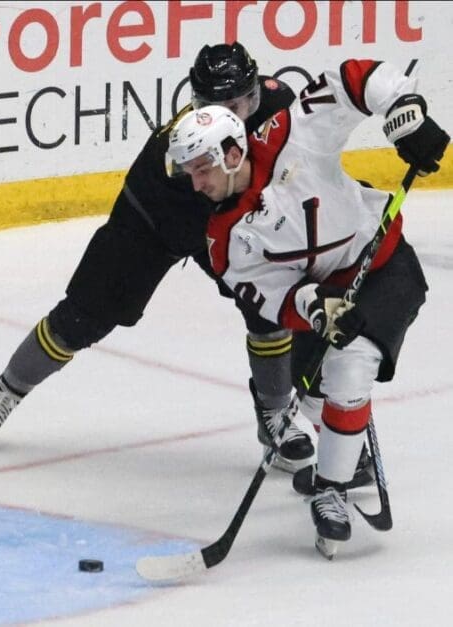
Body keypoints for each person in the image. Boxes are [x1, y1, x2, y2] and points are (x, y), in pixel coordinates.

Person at [0, 42, 320, 474]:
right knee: (85, 315)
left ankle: (276, 412)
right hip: (156, 222)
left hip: (231, 220)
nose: (234, 114)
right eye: (217, 105)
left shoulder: (281, 104)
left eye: (241, 103)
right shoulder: (176, 153)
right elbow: (196, 204)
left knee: (271, 300)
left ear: (255, 93)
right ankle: (11, 387)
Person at [165, 57, 447, 556]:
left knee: (350, 366)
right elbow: (272, 298)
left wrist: (405, 115)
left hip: (381, 262)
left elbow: (352, 78)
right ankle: (348, 454)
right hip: (325, 292)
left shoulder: (289, 133)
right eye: (189, 173)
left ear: (232, 153)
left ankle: (331, 490)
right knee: (315, 386)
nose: (196, 184)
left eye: (202, 169)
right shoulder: (223, 242)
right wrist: (314, 307)